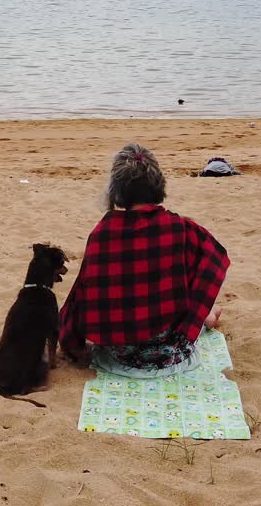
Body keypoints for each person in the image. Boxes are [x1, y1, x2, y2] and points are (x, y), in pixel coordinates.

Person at [59, 144, 229, 377]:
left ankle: (207, 315)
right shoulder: (180, 227)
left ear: (117, 189)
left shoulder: (102, 233)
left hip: (120, 355)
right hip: (173, 352)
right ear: (157, 183)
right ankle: (207, 315)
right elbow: (216, 258)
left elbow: (82, 294)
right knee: (190, 283)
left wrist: (71, 342)